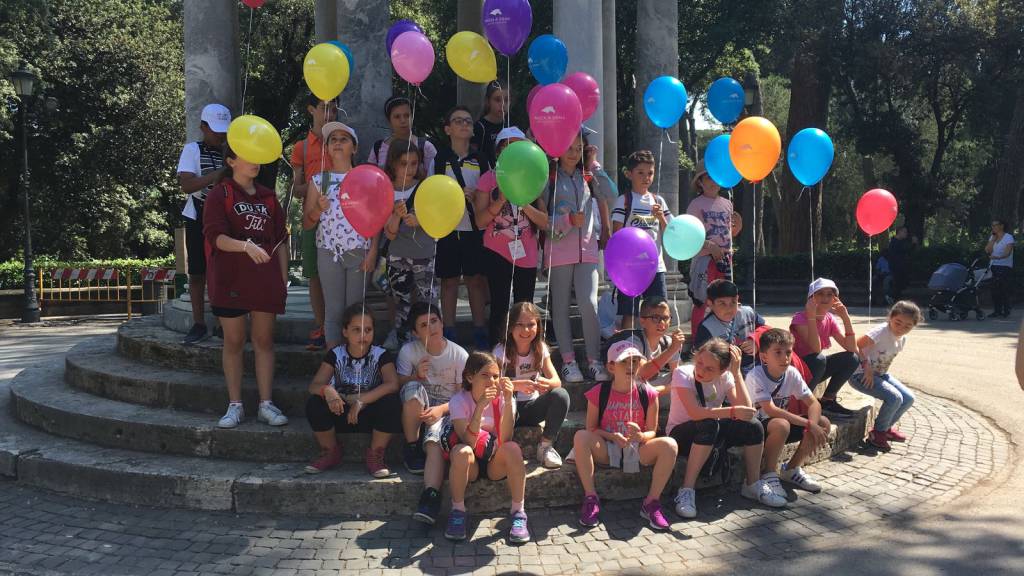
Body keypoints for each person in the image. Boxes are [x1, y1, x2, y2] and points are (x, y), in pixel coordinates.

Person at [202, 145, 289, 429]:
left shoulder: (269, 197)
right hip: (229, 280)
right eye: (248, 156)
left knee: (264, 341)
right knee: (234, 341)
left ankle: (266, 404)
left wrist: (282, 279)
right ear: (231, 161)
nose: (256, 161)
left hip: (264, 282)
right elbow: (215, 237)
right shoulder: (220, 194)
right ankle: (235, 405)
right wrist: (245, 246)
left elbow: (280, 243)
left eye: (258, 156)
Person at [667, 339, 786, 519]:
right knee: (708, 424)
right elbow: (695, 413)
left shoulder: (726, 376)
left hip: (712, 429)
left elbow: (747, 411)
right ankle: (686, 490)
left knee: (753, 427)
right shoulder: (682, 373)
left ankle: (752, 484)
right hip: (681, 433)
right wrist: (731, 411)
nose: (701, 370)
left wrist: (736, 374)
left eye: (709, 369)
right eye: (700, 363)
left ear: (722, 370)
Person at [573, 341, 677, 530]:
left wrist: (640, 436)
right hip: (607, 447)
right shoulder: (599, 392)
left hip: (638, 448)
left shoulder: (648, 393)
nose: (631, 366)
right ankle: (591, 498)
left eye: (635, 361)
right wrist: (612, 437)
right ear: (611, 366)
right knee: (581, 436)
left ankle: (651, 503)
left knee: (670, 445)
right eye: (624, 362)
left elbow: (652, 431)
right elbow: (591, 428)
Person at [303, 303, 401, 477]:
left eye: (368, 330)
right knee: (314, 403)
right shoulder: (336, 354)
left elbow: (392, 384)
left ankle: (375, 453)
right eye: (356, 330)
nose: (363, 335)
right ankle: (330, 451)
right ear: (345, 331)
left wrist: (361, 401)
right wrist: (328, 391)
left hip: (369, 413)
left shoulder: (381, 354)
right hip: (340, 410)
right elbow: (314, 386)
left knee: (392, 402)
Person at [443, 351, 530, 544]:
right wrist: (480, 407)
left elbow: (506, 438)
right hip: (470, 462)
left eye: (495, 376)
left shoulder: (504, 398)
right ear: (470, 377)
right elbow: (468, 442)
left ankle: (518, 513)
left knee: (513, 448)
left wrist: (508, 401)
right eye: (485, 375)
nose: (491, 381)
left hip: (494, 461)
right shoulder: (458, 401)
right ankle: (457, 510)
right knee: (461, 452)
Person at [303, 122, 376, 350]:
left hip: (359, 251)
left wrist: (373, 252)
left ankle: (357, 361)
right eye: (332, 139)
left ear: (354, 148)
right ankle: (335, 362)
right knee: (333, 311)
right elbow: (306, 222)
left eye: (343, 139)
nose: (337, 142)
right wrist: (318, 209)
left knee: (356, 310)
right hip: (328, 252)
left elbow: (377, 218)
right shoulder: (318, 181)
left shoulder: (366, 178)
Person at [397, 303, 469, 523]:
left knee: (435, 441)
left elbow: (463, 397)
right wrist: (416, 376)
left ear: (443, 322)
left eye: (434, 321)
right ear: (415, 332)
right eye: (423, 325)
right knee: (411, 391)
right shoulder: (409, 351)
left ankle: (430, 497)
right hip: (420, 405)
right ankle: (411, 448)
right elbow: (398, 383)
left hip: (447, 408)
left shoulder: (459, 354)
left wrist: (441, 410)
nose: (431, 328)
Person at [475, 127, 547, 345]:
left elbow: (544, 222)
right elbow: (479, 221)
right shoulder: (488, 179)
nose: (513, 150)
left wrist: (524, 202)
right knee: (499, 303)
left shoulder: (533, 177)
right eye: (508, 145)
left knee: (525, 305)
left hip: (527, 251)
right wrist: (500, 201)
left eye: (518, 145)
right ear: (498, 152)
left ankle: (527, 351)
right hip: (497, 251)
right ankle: (498, 350)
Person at [546, 133, 607, 383]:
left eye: (579, 148)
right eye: (569, 148)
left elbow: (609, 191)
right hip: (559, 248)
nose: (574, 153)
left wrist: (593, 163)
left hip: (587, 248)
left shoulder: (587, 175)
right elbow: (540, 217)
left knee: (589, 303)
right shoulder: (548, 176)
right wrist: (567, 221)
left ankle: (594, 360)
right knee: (559, 306)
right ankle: (569, 362)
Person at [749, 328, 829, 499]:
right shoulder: (756, 375)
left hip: (779, 426)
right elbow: (770, 409)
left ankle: (792, 469)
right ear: (764, 357)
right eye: (777, 352)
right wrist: (808, 424)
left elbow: (813, 403)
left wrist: (812, 426)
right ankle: (769, 473)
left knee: (823, 422)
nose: (785, 358)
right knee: (781, 424)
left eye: (788, 352)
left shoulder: (791, 373)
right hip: (757, 428)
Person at [434, 106, 488, 349]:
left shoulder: (481, 159)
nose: (465, 125)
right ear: (448, 129)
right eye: (458, 121)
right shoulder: (439, 159)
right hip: (447, 229)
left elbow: (489, 190)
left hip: (474, 228)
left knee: (476, 279)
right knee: (449, 281)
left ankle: (480, 330)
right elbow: (431, 190)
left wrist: (477, 196)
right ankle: (449, 330)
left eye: (468, 121)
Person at [176, 103, 230, 345]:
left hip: (225, 217)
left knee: (222, 272)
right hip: (197, 214)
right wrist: (215, 176)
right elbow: (186, 185)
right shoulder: (192, 149)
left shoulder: (230, 151)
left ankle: (222, 322)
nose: (220, 135)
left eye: (224, 131)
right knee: (197, 272)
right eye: (216, 130)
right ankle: (199, 323)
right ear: (203, 127)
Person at [494, 301, 568, 469]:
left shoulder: (540, 349)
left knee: (561, 395)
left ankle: (545, 446)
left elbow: (556, 380)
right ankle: (502, 451)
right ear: (510, 326)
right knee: (508, 400)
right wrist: (516, 385)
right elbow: (492, 385)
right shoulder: (500, 351)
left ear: (538, 326)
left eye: (531, 325)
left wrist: (547, 384)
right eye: (520, 325)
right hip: (505, 409)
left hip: (531, 406)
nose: (526, 330)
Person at [290, 95, 337, 351]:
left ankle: (337, 326)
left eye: (333, 108)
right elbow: (296, 189)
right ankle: (321, 327)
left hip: (340, 218)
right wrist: (318, 186)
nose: (329, 112)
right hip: (312, 216)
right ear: (311, 110)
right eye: (323, 107)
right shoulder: (301, 147)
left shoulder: (342, 140)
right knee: (315, 275)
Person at [851, 301, 921, 451]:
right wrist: (866, 367)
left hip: (880, 375)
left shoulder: (902, 339)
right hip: (860, 375)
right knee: (894, 398)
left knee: (908, 398)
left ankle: (885, 428)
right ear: (890, 317)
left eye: (908, 326)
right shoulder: (881, 331)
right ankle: (877, 433)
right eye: (898, 322)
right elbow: (857, 344)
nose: (901, 328)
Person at [612, 150, 671, 330]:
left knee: (659, 311)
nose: (646, 177)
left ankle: (658, 351)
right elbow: (617, 235)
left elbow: (671, 233)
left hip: (656, 266)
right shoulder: (623, 201)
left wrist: (661, 217)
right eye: (640, 173)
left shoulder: (658, 200)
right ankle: (625, 352)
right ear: (629, 174)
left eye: (650, 173)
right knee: (630, 312)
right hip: (631, 267)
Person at [383, 140, 435, 346]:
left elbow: (436, 221)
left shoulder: (425, 188)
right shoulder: (385, 189)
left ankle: (430, 343)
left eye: (414, 163)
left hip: (425, 253)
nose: (410, 169)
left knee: (428, 302)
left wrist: (420, 221)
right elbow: (390, 234)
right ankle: (403, 345)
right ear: (393, 164)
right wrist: (396, 216)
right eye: (404, 163)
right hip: (397, 255)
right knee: (401, 303)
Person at [686, 159, 743, 339]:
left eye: (716, 177)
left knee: (726, 300)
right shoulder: (695, 204)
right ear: (700, 182)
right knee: (702, 300)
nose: (712, 182)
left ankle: (723, 338)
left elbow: (728, 233)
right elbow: (689, 233)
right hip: (704, 258)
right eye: (708, 178)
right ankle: (698, 340)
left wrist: (737, 227)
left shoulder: (727, 203)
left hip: (725, 259)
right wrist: (709, 246)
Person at [790, 278, 861, 418]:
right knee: (818, 358)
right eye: (820, 293)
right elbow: (816, 349)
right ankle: (804, 404)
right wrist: (811, 316)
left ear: (835, 298)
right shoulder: (800, 318)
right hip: (797, 372)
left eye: (830, 294)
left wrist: (845, 318)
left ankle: (827, 401)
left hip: (815, 369)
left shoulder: (829, 318)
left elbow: (851, 347)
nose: (825, 298)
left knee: (852, 358)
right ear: (811, 297)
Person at [604, 296, 686, 393]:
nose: (662, 323)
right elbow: (641, 373)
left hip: (649, 387)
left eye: (665, 318)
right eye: (656, 318)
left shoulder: (669, 342)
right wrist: (672, 350)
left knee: (685, 375)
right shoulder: (634, 341)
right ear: (642, 321)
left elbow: (676, 375)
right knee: (636, 383)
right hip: (627, 387)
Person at [693, 279, 765, 375]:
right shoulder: (706, 328)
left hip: (758, 366)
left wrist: (756, 340)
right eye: (722, 303)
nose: (729, 308)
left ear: (738, 298)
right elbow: (702, 359)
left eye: (733, 302)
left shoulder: (748, 313)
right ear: (710, 303)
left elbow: (767, 331)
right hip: (728, 373)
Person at [368, 95, 437, 173]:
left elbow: (432, 178)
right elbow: (372, 179)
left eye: (407, 115)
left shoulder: (425, 147)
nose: (403, 120)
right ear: (389, 120)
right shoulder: (378, 148)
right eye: (397, 117)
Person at [471, 81, 507, 171]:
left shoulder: (510, 126)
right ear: (488, 101)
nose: (503, 104)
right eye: (498, 100)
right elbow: (472, 159)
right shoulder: (479, 128)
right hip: (485, 178)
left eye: (506, 100)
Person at [986, 219, 1015, 318]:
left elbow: (1007, 253)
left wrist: (998, 257)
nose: (993, 227)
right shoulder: (992, 237)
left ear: (1001, 226)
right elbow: (987, 250)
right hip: (993, 266)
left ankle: (1006, 310)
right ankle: (997, 311)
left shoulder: (1008, 237)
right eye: (992, 225)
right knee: (994, 290)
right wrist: (993, 240)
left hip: (1005, 266)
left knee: (1003, 289)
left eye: (995, 225)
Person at [885, 226, 916, 302]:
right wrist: (913, 244)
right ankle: (890, 296)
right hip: (897, 267)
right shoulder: (895, 242)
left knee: (901, 284)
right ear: (900, 232)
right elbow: (905, 251)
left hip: (900, 267)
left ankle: (894, 298)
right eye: (904, 232)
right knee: (898, 284)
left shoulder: (900, 242)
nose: (906, 234)